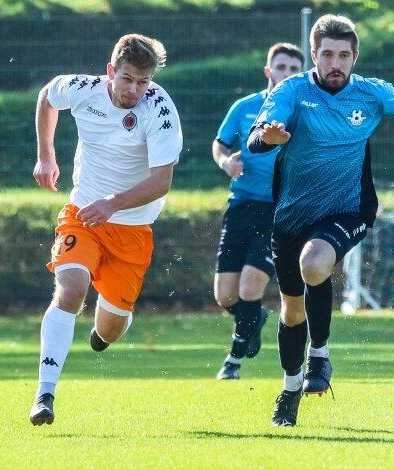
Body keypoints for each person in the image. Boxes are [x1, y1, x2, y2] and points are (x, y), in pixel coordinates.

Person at [247, 15, 394, 427]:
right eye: (327, 54)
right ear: (314, 55)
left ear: (355, 57)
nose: (335, 63)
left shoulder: (370, 92)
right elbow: (260, 135)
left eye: (343, 55)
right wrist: (267, 138)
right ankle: (290, 389)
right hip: (291, 216)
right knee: (291, 313)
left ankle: (320, 356)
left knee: (315, 264)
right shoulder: (292, 91)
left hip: (349, 209)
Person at [29, 33, 183, 426]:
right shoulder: (84, 89)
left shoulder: (160, 109)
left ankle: (109, 326)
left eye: (143, 82)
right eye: (127, 79)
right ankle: (44, 394)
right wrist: (46, 155)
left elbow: (161, 181)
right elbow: (47, 96)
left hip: (131, 228)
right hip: (83, 214)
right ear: (110, 71)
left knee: (109, 329)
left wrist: (112, 204)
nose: (134, 90)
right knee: (71, 288)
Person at [212, 43, 305, 380]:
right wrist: (226, 162)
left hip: (280, 211)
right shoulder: (245, 107)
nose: (286, 74)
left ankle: (233, 362)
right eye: (281, 67)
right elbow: (220, 144)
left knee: (251, 287)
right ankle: (254, 317)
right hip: (241, 207)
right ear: (269, 71)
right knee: (225, 296)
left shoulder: (303, 113)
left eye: (294, 70)